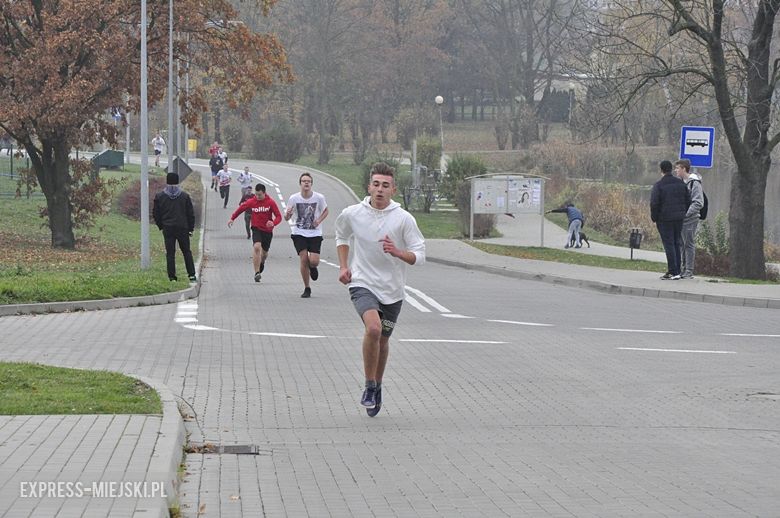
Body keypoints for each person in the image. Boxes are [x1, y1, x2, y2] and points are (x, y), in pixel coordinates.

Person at [334, 162, 426, 416]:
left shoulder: (404, 219)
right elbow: (341, 235)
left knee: (383, 340)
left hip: (393, 291)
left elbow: (420, 255)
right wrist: (343, 266)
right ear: (369, 187)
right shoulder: (353, 213)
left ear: (393, 190)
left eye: (385, 185)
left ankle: (378, 385)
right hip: (362, 283)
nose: (380, 190)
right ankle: (368, 385)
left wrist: (398, 252)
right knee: (373, 328)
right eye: (376, 184)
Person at [284, 172, 329, 298]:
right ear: (300, 184)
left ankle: (312, 267)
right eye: (304, 181)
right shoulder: (294, 198)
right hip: (299, 232)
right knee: (303, 259)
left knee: (314, 261)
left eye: (308, 181)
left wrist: (318, 221)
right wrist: (288, 214)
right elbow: (286, 218)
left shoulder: (319, 197)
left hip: (315, 233)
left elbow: (326, 211)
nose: (306, 183)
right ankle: (307, 288)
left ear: (311, 184)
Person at [228, 183, 282, 282]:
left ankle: (262, 262)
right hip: (256, 228)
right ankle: (257, 273)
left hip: (267, 231)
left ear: (264, 193)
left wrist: (273, 223)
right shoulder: (252, 201)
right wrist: (232, 218)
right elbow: (241, 209)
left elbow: (279, 216)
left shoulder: (271, 202)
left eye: (259, 195)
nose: (257, 197)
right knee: (257, 247)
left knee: (264, 253)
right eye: (256, 194)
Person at [152, 172, 197, 282]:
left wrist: (161, 226)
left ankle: (172, 277)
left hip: (168, 228)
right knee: (186, 251)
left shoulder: (160, 196)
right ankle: (191, 274)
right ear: (178, 181)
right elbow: (190, 214)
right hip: (182, 227)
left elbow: (155, 213)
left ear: (167, 181)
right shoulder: (184, 196)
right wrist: (190, 229)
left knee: (170, 253)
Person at [650, 160, 691, 280]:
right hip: (679, 218)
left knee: (669, 244)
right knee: (676, 243)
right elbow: (688, 200)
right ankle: (677, 270)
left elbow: (654, 203)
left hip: (664, 219)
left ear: (661, 170)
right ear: (671, 169)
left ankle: (673, 271)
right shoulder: (681, 184)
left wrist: (654, 217)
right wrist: (683, 213)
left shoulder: (659, 185)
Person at [675, 159, 704, 279]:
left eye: (677, 168)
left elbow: (698, 202)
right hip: (681, 219)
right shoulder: (681, 182)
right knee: (682, 244)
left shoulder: (694, 183)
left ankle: (689, 270)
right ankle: (683, 269)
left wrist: (686, 214)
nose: (675, 170)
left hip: (691, 219)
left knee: (689, 244)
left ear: (683, 168)